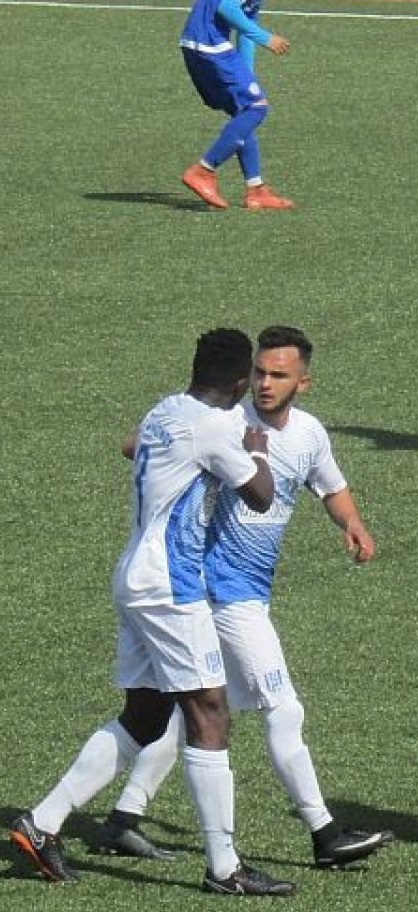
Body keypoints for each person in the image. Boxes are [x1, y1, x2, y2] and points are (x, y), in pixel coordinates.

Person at [9, 329, 298, 895]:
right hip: (172, 585)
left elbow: (136, 446)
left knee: (144, 716)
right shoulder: (214, 428)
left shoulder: (165, 409)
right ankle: (226, 868)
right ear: (241, 381)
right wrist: (257, 447)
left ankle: (41, 822)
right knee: (210, 715)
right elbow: (261, 494)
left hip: (136, 575)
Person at [94, 326, 391, 870]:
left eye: (278, 375)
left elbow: (330, 485)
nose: (264, 383)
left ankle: (121, 820)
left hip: (247, 589)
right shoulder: (227, 421)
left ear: (303, 383)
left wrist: (352, 523)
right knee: (283, 707)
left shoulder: (309, 433)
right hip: (221, 593)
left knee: (195, 712)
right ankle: (324, 833)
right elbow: (137, 444)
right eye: (259, 372)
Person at [179, 0, 294, 211]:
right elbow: (226, 7)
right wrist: (266, 39)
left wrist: (245, 73)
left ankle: (255, 189)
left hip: (198, 44)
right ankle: (203, 170)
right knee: (257, 108)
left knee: (243, 111)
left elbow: (247, 20)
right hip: (210, 45)